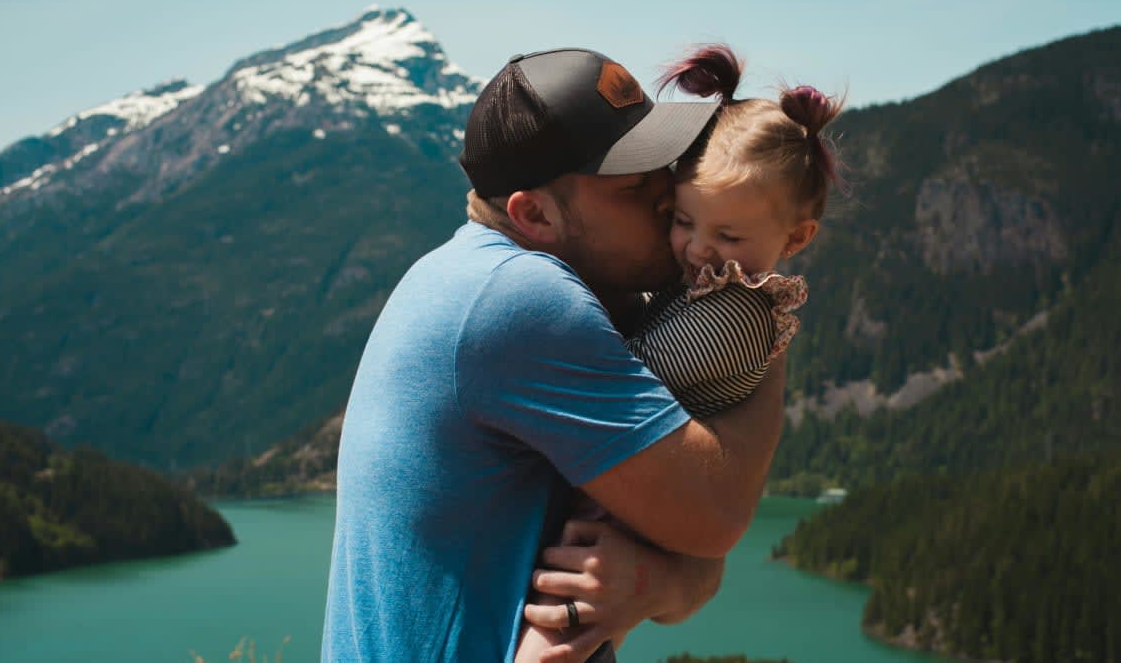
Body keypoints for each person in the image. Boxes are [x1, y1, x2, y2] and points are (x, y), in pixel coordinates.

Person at [321, 47, 789, 662]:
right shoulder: (520, 302)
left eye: (662, 165)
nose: (667, 195)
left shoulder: (462, 273)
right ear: (533, 213)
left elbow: (690, 554)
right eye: (632, 185)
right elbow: (715, 514)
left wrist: (654, 582)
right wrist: (762, 308)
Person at [513, 44, 845, 662]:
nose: (695, 248)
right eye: (683, 220)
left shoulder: (734, 314)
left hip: (624, 517)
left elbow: (627, 370)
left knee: (551, 645)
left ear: (796, 238)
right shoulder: (709, 286)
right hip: (629, 500)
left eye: (729, 235)